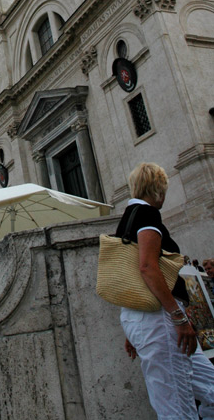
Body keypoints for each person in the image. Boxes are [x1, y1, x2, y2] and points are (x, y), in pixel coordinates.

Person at [116, 162, 214, 419]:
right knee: (177, 408)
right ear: (158, 189)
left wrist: (135, 328)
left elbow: (130, 274)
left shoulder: (126, 220)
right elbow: (147, 267)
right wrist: (178, 317)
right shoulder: (147, 215)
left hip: (148, 317)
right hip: (161, 319)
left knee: (210, 388)